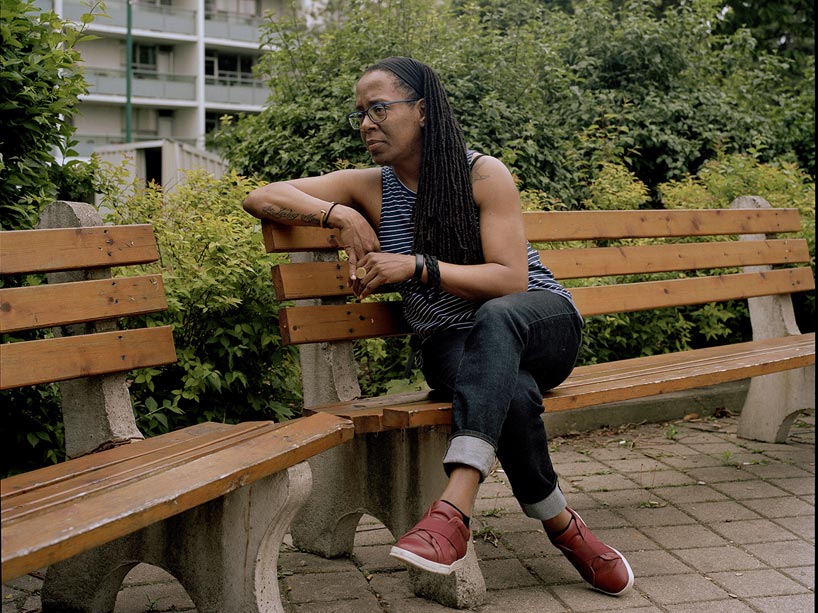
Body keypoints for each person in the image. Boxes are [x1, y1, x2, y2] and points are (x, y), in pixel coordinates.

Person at [243, 56, 634, 597]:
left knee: (497, 321)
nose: (366, 123)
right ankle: (565, 528)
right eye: (360, 113)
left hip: (537, 321)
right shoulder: (370, 187)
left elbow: (510, 281)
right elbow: (260, 195)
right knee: (513, 393)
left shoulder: (482, 173)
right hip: (455, 344)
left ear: (422, 111)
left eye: (379, 108)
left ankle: (454, 505)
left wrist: (418, 266)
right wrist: (342, 215)